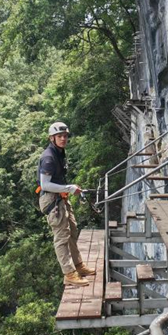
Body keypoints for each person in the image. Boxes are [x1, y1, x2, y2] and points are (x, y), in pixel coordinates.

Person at [38, 122, 96, 287]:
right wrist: (69, 188)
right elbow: (45, 184)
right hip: (52, 199)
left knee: (72, 230)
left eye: (65, 136)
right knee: (62, 236)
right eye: (60, 136)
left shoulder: (60, 153)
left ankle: (78, 266)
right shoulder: (49, 157)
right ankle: (69, 274)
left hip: (60, 197)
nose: (63, 139)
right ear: (52, 138)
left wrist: (68, 189)